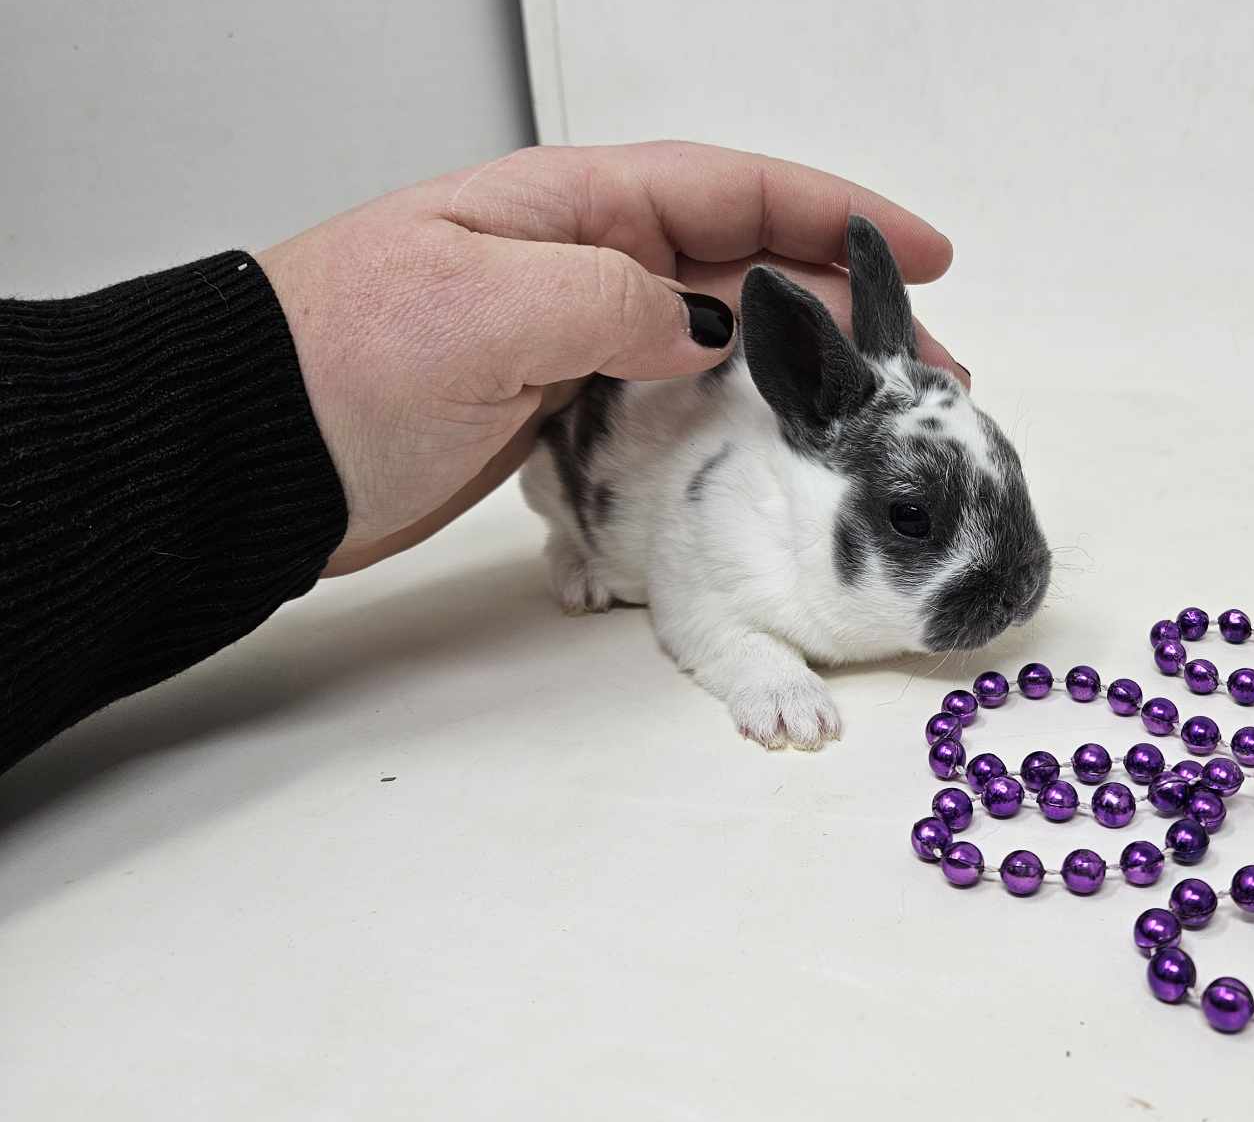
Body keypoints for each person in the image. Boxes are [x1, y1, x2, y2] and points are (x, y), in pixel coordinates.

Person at [0, 141, 963, 774]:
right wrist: (761, 667)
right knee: (564, 474)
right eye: (912, 524)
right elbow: (692, 591)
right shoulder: (736, 515)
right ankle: (571, 541)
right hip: (604, 476)